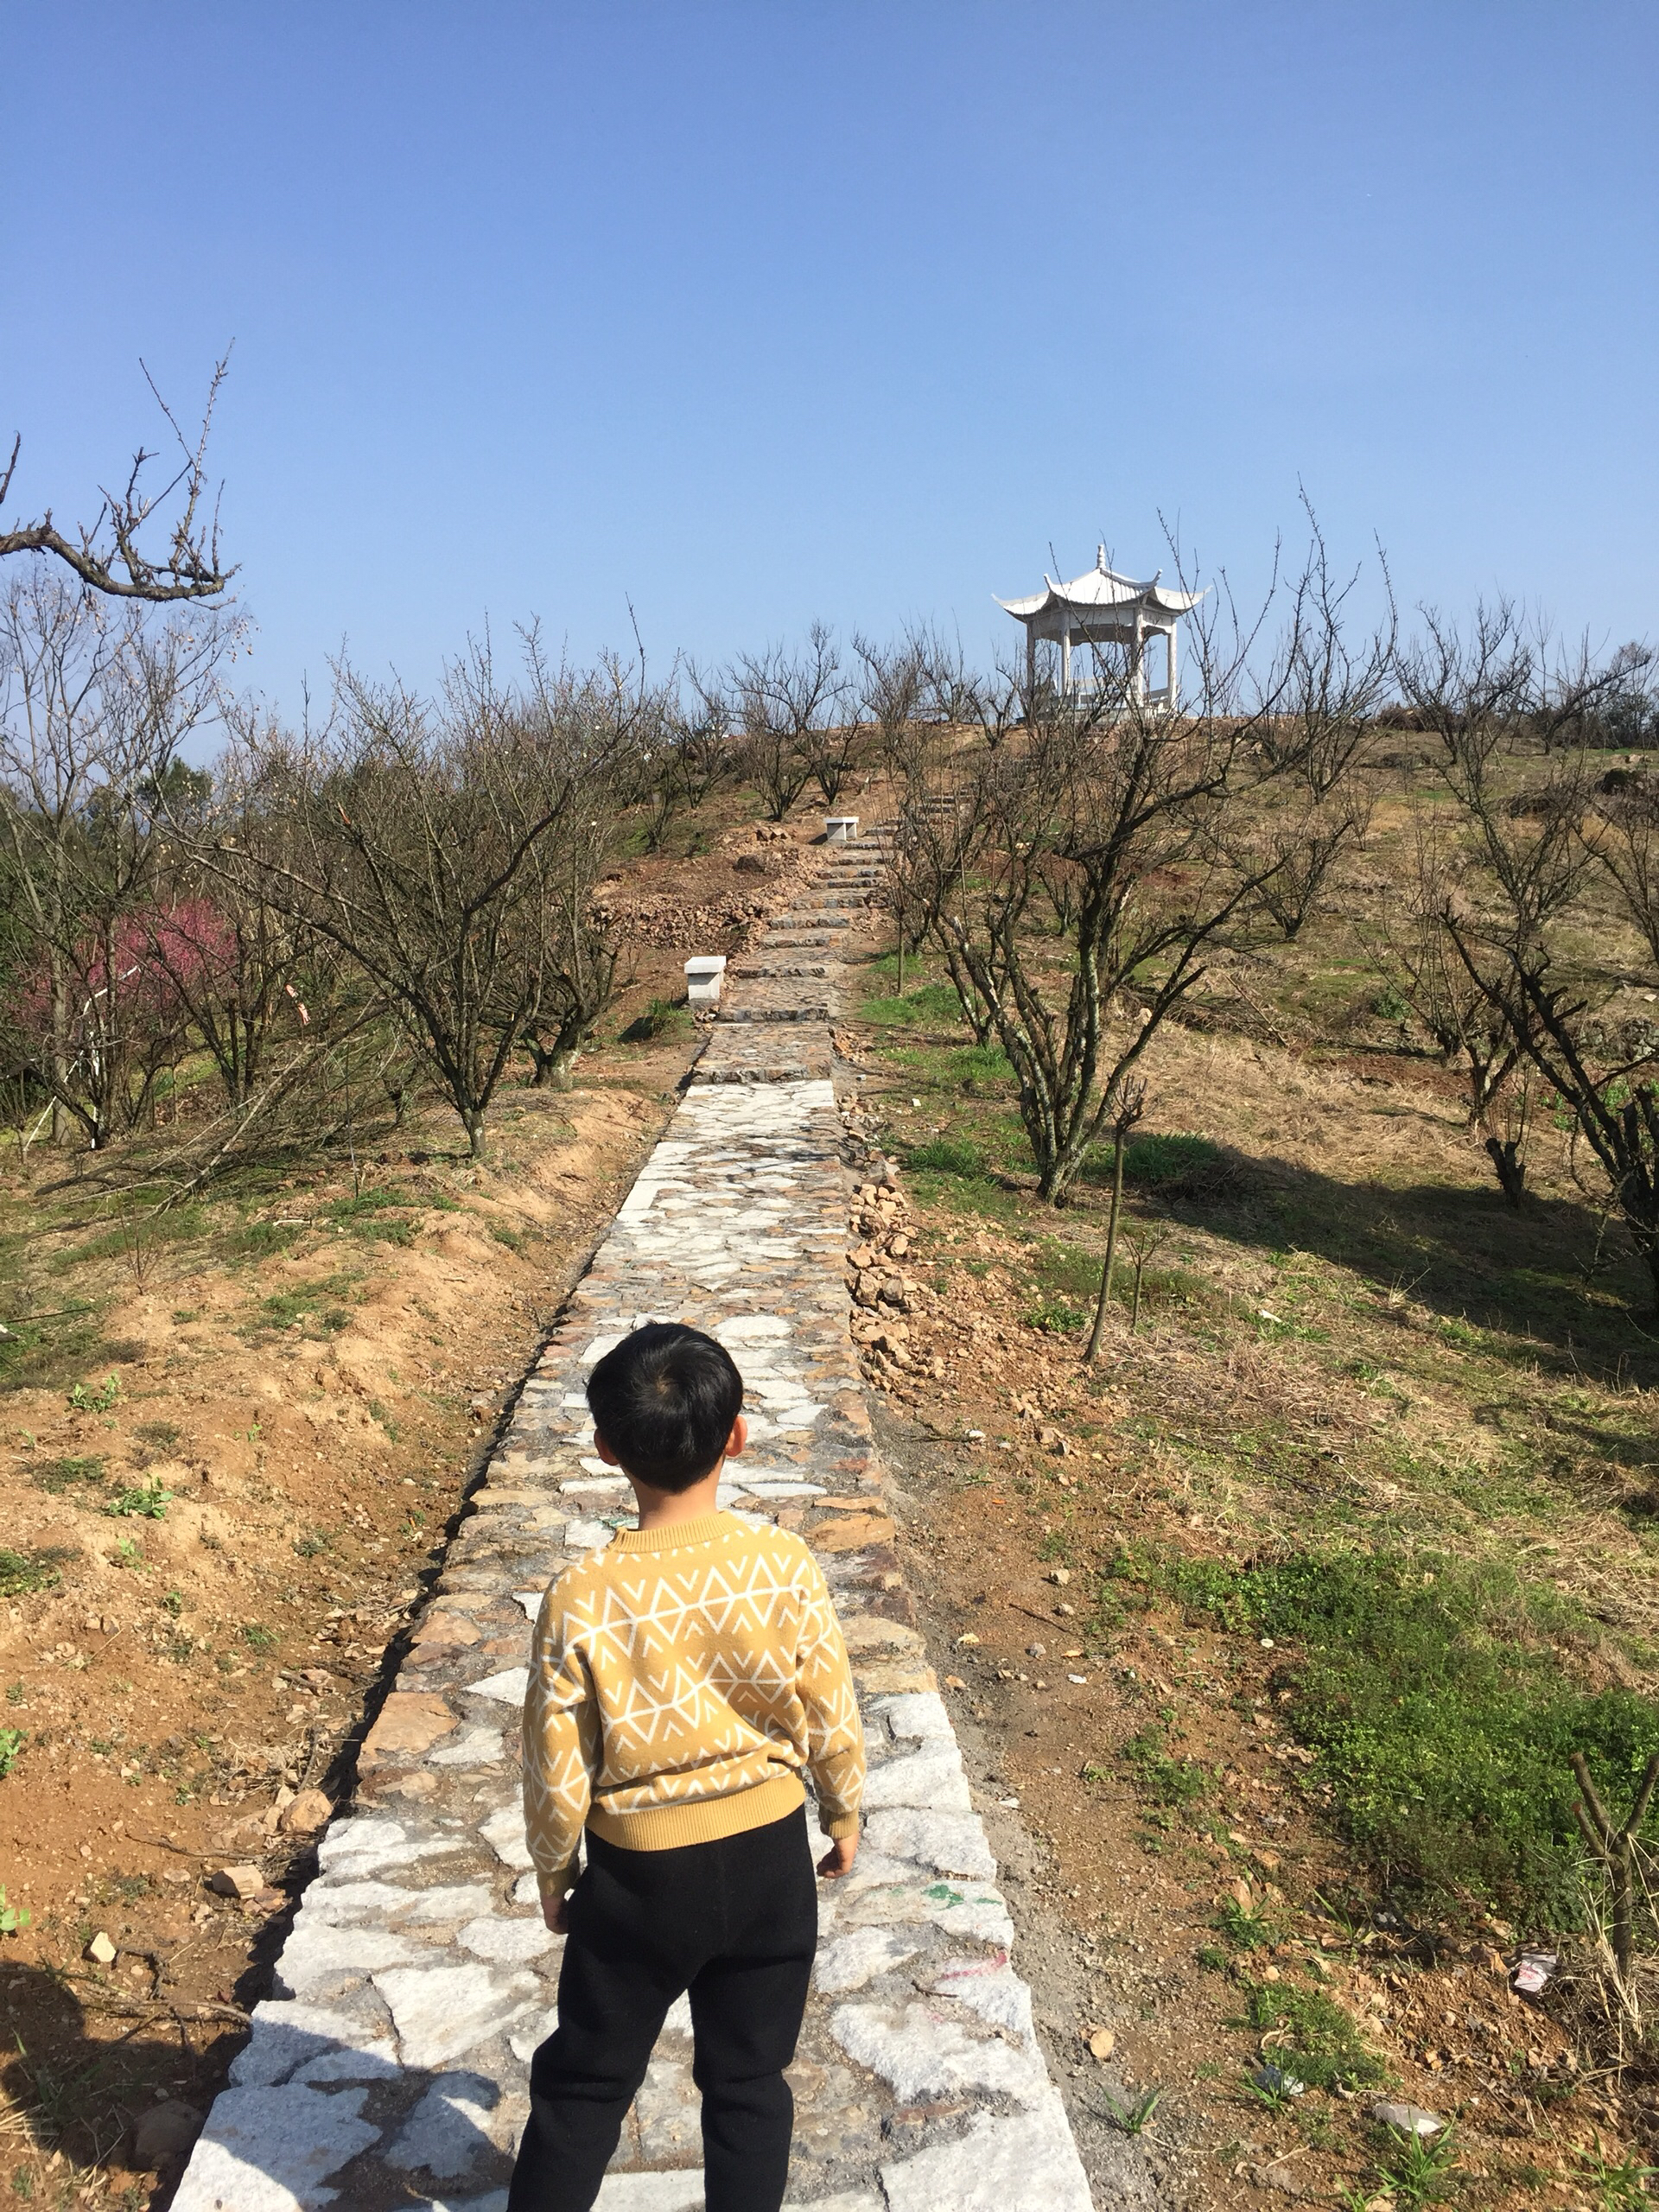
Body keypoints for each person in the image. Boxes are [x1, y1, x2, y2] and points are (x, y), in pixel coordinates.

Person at [509, 1320, 865, 2212]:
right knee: (750, 2083)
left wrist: (556, 1869)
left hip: (637, 1880)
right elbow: (829, 1703)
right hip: (770, 1861)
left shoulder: (581, 1595)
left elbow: (555, 1757)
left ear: (603, 1448)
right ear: (736, 1434)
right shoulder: (783, 1564)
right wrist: (844, 1810)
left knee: (587, 2082)